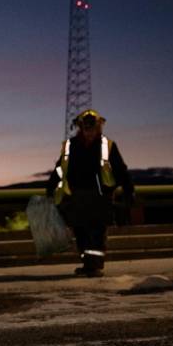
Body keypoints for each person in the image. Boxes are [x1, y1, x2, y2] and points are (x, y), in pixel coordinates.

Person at [46, 109, 134, 277]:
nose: (89, 132)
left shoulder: (107, 146)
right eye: (86, 128)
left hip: (101, 197)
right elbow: (60, 169)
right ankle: (87, 265)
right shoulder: (70, 146)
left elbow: (121, 170)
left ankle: (95, 266)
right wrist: (50, 187)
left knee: (97, 232)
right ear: (80, 127)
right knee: (80, 232)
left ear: (99, 127)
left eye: (92, 128)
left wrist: (129, 190)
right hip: (77, 195)